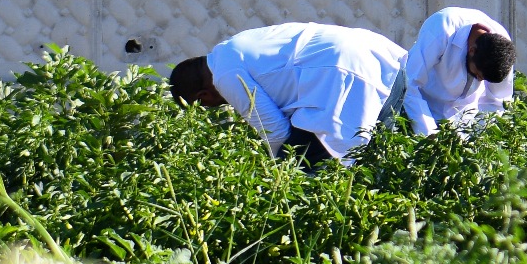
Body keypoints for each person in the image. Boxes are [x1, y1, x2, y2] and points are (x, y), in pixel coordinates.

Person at [168, 22, 408, 165]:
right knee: (379, 159)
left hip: (339, 74)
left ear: (202, 97)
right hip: (377, 55)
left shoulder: (223, 75)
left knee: (305, 170)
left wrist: (275, 169)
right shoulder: (231, 47)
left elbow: (275, 131)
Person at [399, 7, 517, 136]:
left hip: (466, 119)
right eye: (477, 75)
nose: (479, 81)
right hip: (423, 107)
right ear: (472, 51)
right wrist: (428, 133)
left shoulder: (502, 47)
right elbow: (409, 82)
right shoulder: (442, 28)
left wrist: (477, 136)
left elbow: (497, 100)